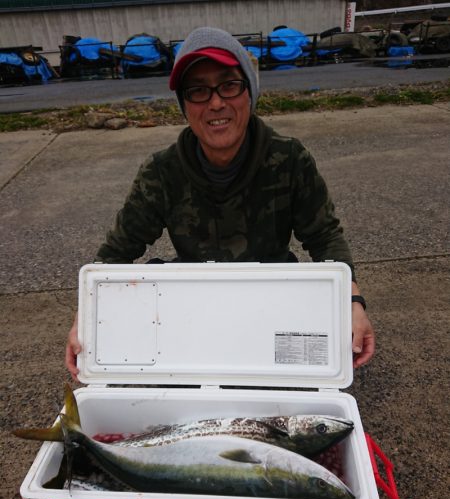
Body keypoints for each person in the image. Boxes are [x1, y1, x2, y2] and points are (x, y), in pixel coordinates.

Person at [66, 26, 375, 380]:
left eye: (229, 85)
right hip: (194, 310)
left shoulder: (290, 158)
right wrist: (84, 319)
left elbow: (324, 238)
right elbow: (116, 253)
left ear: (250, 93)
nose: (216, 102)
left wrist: (354, 302)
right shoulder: (161, 171)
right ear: (184, 106)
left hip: (272, 303)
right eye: (198, 91)